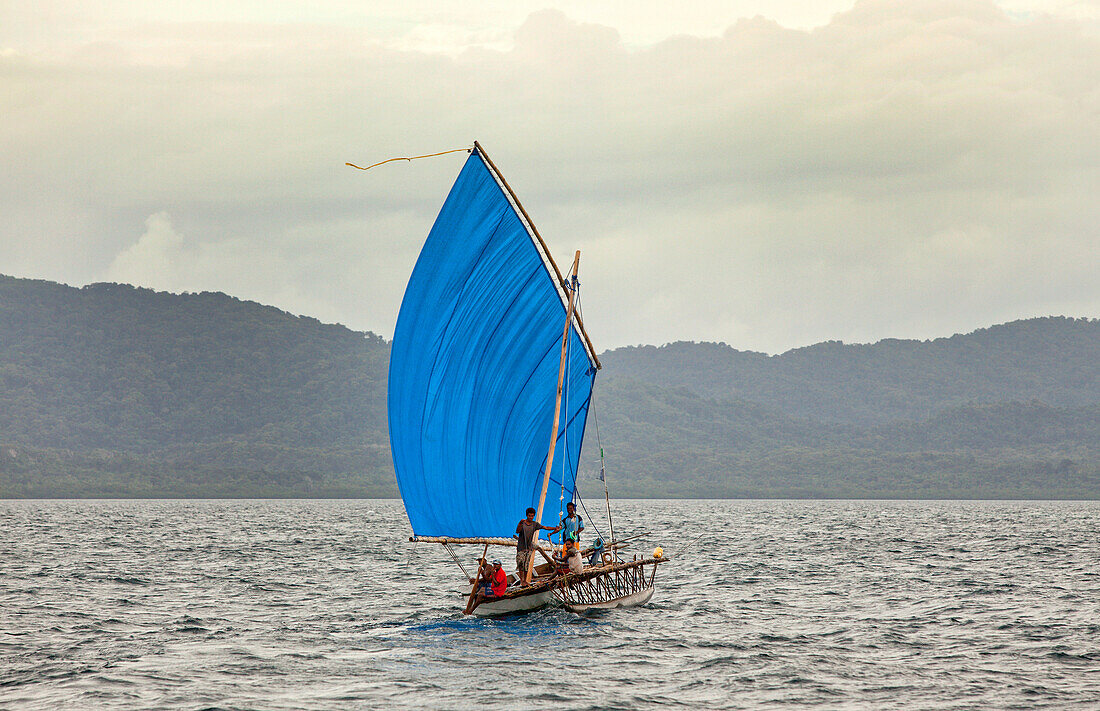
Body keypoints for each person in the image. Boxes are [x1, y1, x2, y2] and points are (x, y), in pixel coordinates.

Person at [516, 507, 560, 584]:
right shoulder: (523, 523)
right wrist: (519, 524)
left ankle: (525, 581)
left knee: (526, 565)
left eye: (532, 516)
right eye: (529, 516)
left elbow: (545, 527)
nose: (530, 517)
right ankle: (522, 581)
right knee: (521, 564)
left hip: (528, 548)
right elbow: (517, 531)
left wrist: (555, 528)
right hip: (521, 547)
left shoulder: (534, 524)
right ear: (527, 515)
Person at [560, 502, 585, 574]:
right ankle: (566, 569)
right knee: (565, 555)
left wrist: (576, 532)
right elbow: (560, 528)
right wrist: (552, 533)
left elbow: (582, 527)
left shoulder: (578, 518)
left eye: (571, 508)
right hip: (567, 541)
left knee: (575, 555)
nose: (569, 510)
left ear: (573, 509)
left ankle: (575, 569)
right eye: (568, 508)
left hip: (575, 540)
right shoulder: (565, 520)